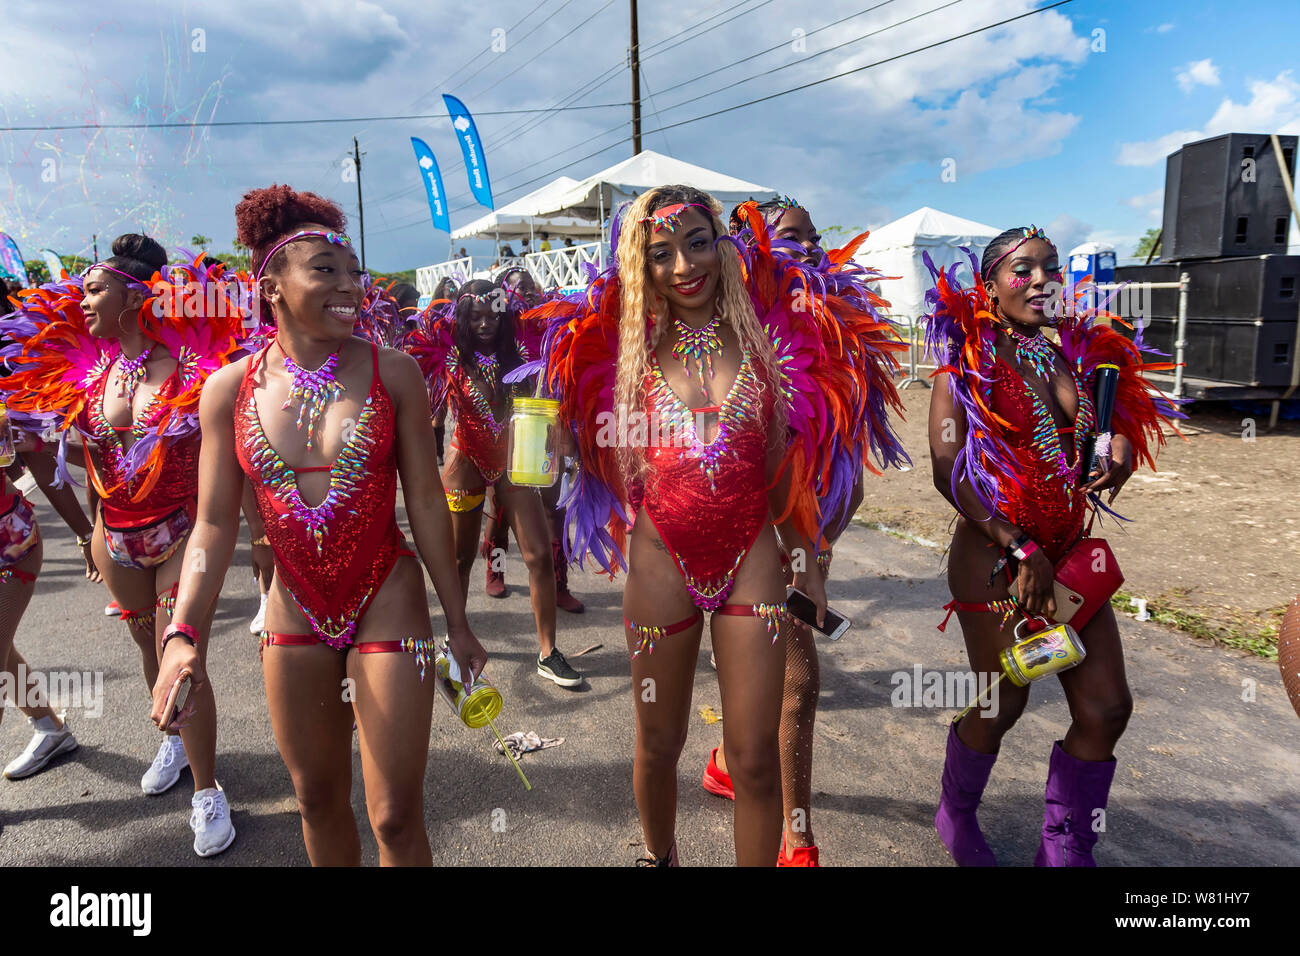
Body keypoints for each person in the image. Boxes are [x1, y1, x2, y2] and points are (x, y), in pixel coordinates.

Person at [536, 185, 899, 865]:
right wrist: (552, 439)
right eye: (661, 253)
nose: (682, 266)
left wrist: (807, 565)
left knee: (756, 757)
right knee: (657, 744)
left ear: (721, 247)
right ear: (640, 268)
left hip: (752, 561)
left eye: (697, 243)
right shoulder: (623, 359)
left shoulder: (768, 347)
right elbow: (597, 464)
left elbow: (781, 477)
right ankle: (660, 857)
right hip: (660, 564)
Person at [152, 183, 487, 866]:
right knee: (317, 802)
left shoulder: (392, 373)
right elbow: (213, 525)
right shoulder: (228, 390)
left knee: (395, 817)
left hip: (387, 598)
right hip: (294, 612)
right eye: (324, 270)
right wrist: (182, 635)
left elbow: (425, 500)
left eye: (352, 271)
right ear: (270, 285)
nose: (349, 286)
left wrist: (457, 620)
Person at [924, 226, 1182, 867]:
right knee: (1003, 700)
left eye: (1051, 269)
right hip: (997, 560)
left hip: (1068, 558)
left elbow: (1096, 433)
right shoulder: (964, 370)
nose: (1041, 281)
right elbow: (947, 470)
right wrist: (1017, 547)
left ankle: (1064, 846)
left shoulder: (1075, 359)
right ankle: (955, 812)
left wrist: (1118, 441)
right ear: (989, 286)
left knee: (1106, 707)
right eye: (1023, 270)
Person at [0, 236, 245, 856]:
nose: (81, 301)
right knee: (145, 647)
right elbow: (81, 459)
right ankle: (172, 742)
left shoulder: (193, 369)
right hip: (118, 538)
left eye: (94, 290)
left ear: (135, 295)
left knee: (178, 652)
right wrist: (91, 534)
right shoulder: (93, 373)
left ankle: (207, 793)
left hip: (180, 533)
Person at [698, 196, 907, 866]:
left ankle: (755, 789)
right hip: (741, 535)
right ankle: (789, 830)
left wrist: (816, 548)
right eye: (791, 238)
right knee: (786, 675)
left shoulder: (837, 333)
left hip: (807, 539)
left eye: (815, 238)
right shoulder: (720, 333)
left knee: (781, 672)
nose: (810, 250)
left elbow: (852, 466)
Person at [407, 279, 581, 688]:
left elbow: (551, 394)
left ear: (505, 317)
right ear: (462, 320)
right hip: (465, 461)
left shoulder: (521, 354)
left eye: (493, 316)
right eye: (476, 317)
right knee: (460, 560)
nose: (485, 324)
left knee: (538, 555)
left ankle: (547, 652)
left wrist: (557, 426)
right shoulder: (449, 358)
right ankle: (455, 642)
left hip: (512, 464)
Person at [495, 267, 584, 614]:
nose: (526, 294)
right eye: (518, 289)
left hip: (547, 425)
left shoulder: (552, 325)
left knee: (554, 507)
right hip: (504, 430)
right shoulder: (498, 332)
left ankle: (558, 582)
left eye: (531, 288)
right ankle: (497, 568)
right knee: (500, 514)